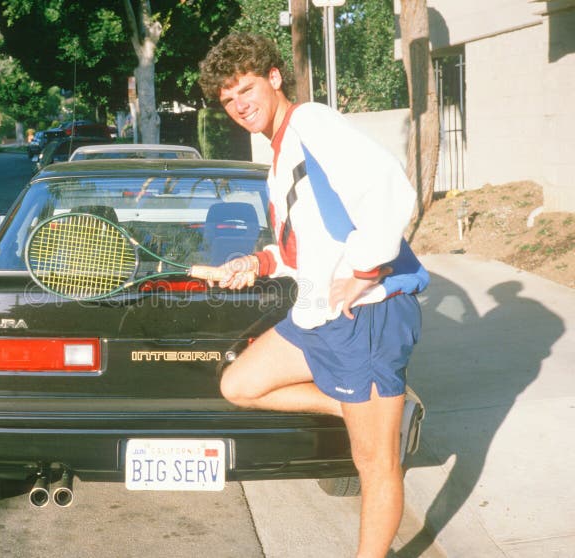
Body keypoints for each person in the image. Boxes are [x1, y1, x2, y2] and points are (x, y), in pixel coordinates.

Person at [198, 33, 429, 558]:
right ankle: (359, 407)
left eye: (247, 88)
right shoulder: (280, 152)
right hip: (316, 316)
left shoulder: (311, 123)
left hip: (364, 318)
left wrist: (365, 270)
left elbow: (391, 188)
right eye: (229, 99)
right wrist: (253, 262)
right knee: (241, 383)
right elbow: (302, 247)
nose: (240, 105)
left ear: (274, 77)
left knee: (374, 464)